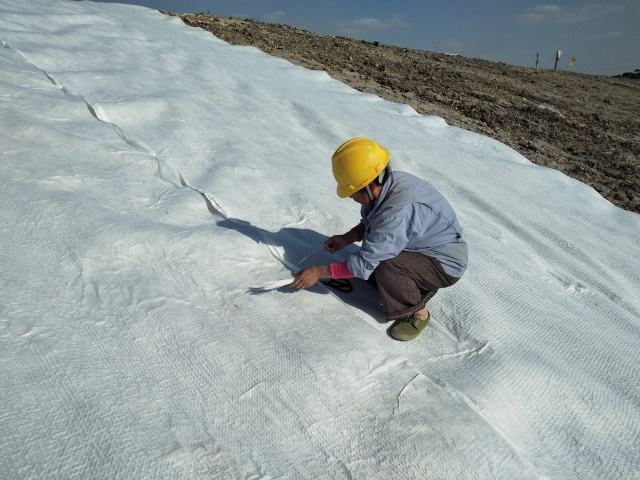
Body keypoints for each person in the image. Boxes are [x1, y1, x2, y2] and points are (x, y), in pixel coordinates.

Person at [290, 137, 468, 341]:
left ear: (369, 184)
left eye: (353, 192)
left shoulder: (396, 211)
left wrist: (319, 272)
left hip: (444, 264)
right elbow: (374, 223)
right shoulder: (388, 186)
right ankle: (411, 281)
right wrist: (347, 238)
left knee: (387, 266)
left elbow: (366, 259)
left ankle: (417, 311)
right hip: (423, 248)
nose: (350, 197)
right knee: (380, 261)